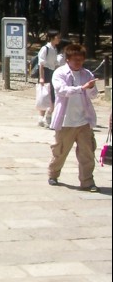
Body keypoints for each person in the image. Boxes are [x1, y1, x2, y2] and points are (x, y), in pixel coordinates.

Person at [48, 43, 99, 192]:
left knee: (87, 153)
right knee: (60, 151)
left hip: (84, 120)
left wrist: (90, 88)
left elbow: (94, 95)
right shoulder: (60, 73)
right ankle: (53, 174)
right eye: (75, 59)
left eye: (81, 59)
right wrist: (81, 88)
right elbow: (62, 90)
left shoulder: (86, 74)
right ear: (67, 59)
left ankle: (87, 181)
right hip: (66, 121)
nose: (78, 62)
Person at [38, 30, 63, 127]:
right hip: (46, 72)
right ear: (52, 37)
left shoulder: (54, 49)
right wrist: (41, 77)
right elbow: (41, 64)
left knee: (52, 95)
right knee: (44, 95)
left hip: (53, 72)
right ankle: (41, 117)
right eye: (57, 37)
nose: (59, 39)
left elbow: (56, 63)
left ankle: (48, 115)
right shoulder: (45, 48)